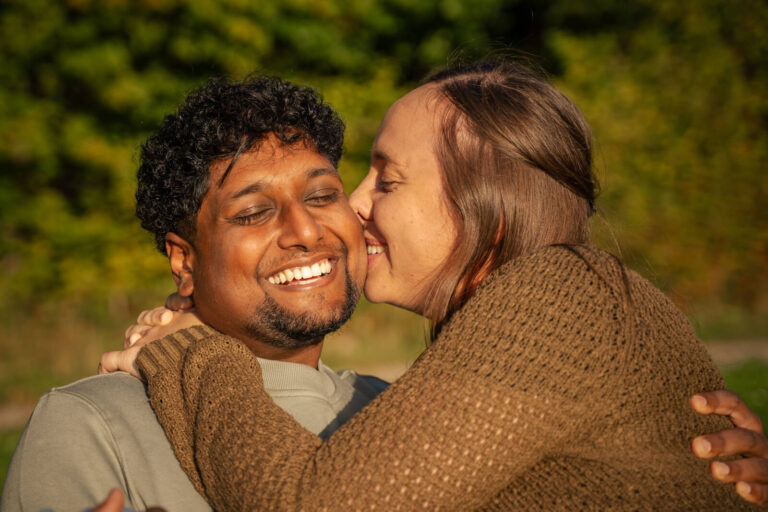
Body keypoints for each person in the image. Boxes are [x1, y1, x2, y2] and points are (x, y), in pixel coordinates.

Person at [109, 60, 768, 509]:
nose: (355, 204)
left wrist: (189, 349)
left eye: (387, 180)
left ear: (486, 204)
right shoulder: (563, 308)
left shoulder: (562, 293)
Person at [0, 76, 387, 512]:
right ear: (184, 262)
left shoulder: (401, 407)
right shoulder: (93, 423)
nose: (305, 230)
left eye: (321, 195)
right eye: (254, 212)